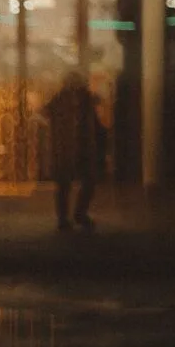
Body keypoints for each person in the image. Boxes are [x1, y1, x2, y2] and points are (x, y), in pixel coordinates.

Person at [43, 71, 106, 231]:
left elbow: (46, 112)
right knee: (78, 182)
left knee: (69, 184)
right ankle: (75, 215)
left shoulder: (66, 99)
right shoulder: (75, 99)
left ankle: (69, 217)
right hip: (71, 147)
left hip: (69, 147)